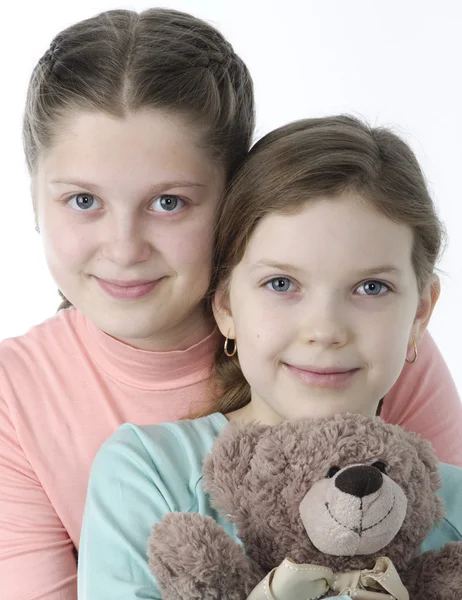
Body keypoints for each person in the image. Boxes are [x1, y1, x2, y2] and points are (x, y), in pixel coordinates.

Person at [0, 6, 460, 599]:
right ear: (33, 198)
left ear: (232, 200)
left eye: (169, 202)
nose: (123, 248)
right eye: (82, 200)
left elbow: (436, 534)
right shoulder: (23, 398)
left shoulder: (368, 353)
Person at [78, 115, 462, 599]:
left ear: (420, 315)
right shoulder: (149, 471)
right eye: (281, 284)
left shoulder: (449, 504)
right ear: (225, 305)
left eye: (371, 287)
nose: (324, 330)